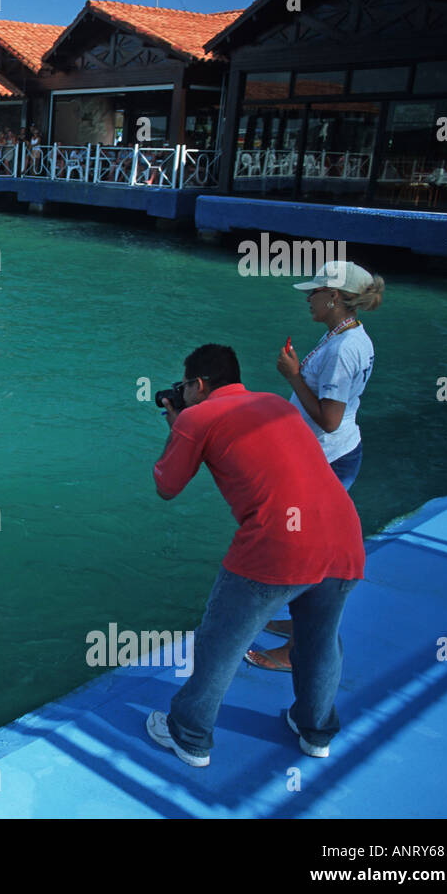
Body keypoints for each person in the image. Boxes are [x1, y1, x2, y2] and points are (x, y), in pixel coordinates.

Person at [147, 344, 364, 767]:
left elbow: (166, 486)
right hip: (344, 535)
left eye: (186, 385)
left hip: (279, 547)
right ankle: (315, 731)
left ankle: (189, 736)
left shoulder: (196, 416)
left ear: (198, 384)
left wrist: (179, 427)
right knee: (319, 642)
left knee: (221, 642)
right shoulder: (270, 402)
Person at [247, 261, 384, 673]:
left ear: (335, 298)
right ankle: (298, 625)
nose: (308, 298)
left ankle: (299, 652)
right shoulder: (347, 334)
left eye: (315, 292)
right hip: (329, 456)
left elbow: (329, 419)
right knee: (309, 549)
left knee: (305, 553)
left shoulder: (344, 349)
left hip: (327, 462)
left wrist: (292, 376)